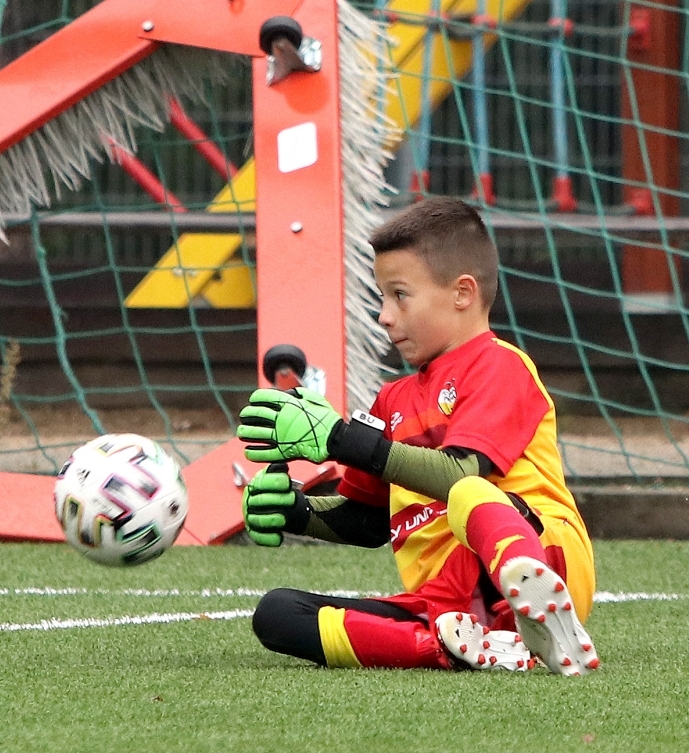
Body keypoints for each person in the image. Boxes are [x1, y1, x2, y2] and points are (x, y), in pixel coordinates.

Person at [236, 197, 599, 677]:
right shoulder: (393, 399)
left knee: (468, 493)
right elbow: (369, 520)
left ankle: (537, 609)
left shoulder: (499, 365)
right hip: (447, 603)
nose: (385, 316)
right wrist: (297, 512)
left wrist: (341, 438)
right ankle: (455, 646)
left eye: (400, 295)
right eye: (382, 297)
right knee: (279, 614)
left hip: (545, 556)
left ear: (462, 293)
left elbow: (460, 473)